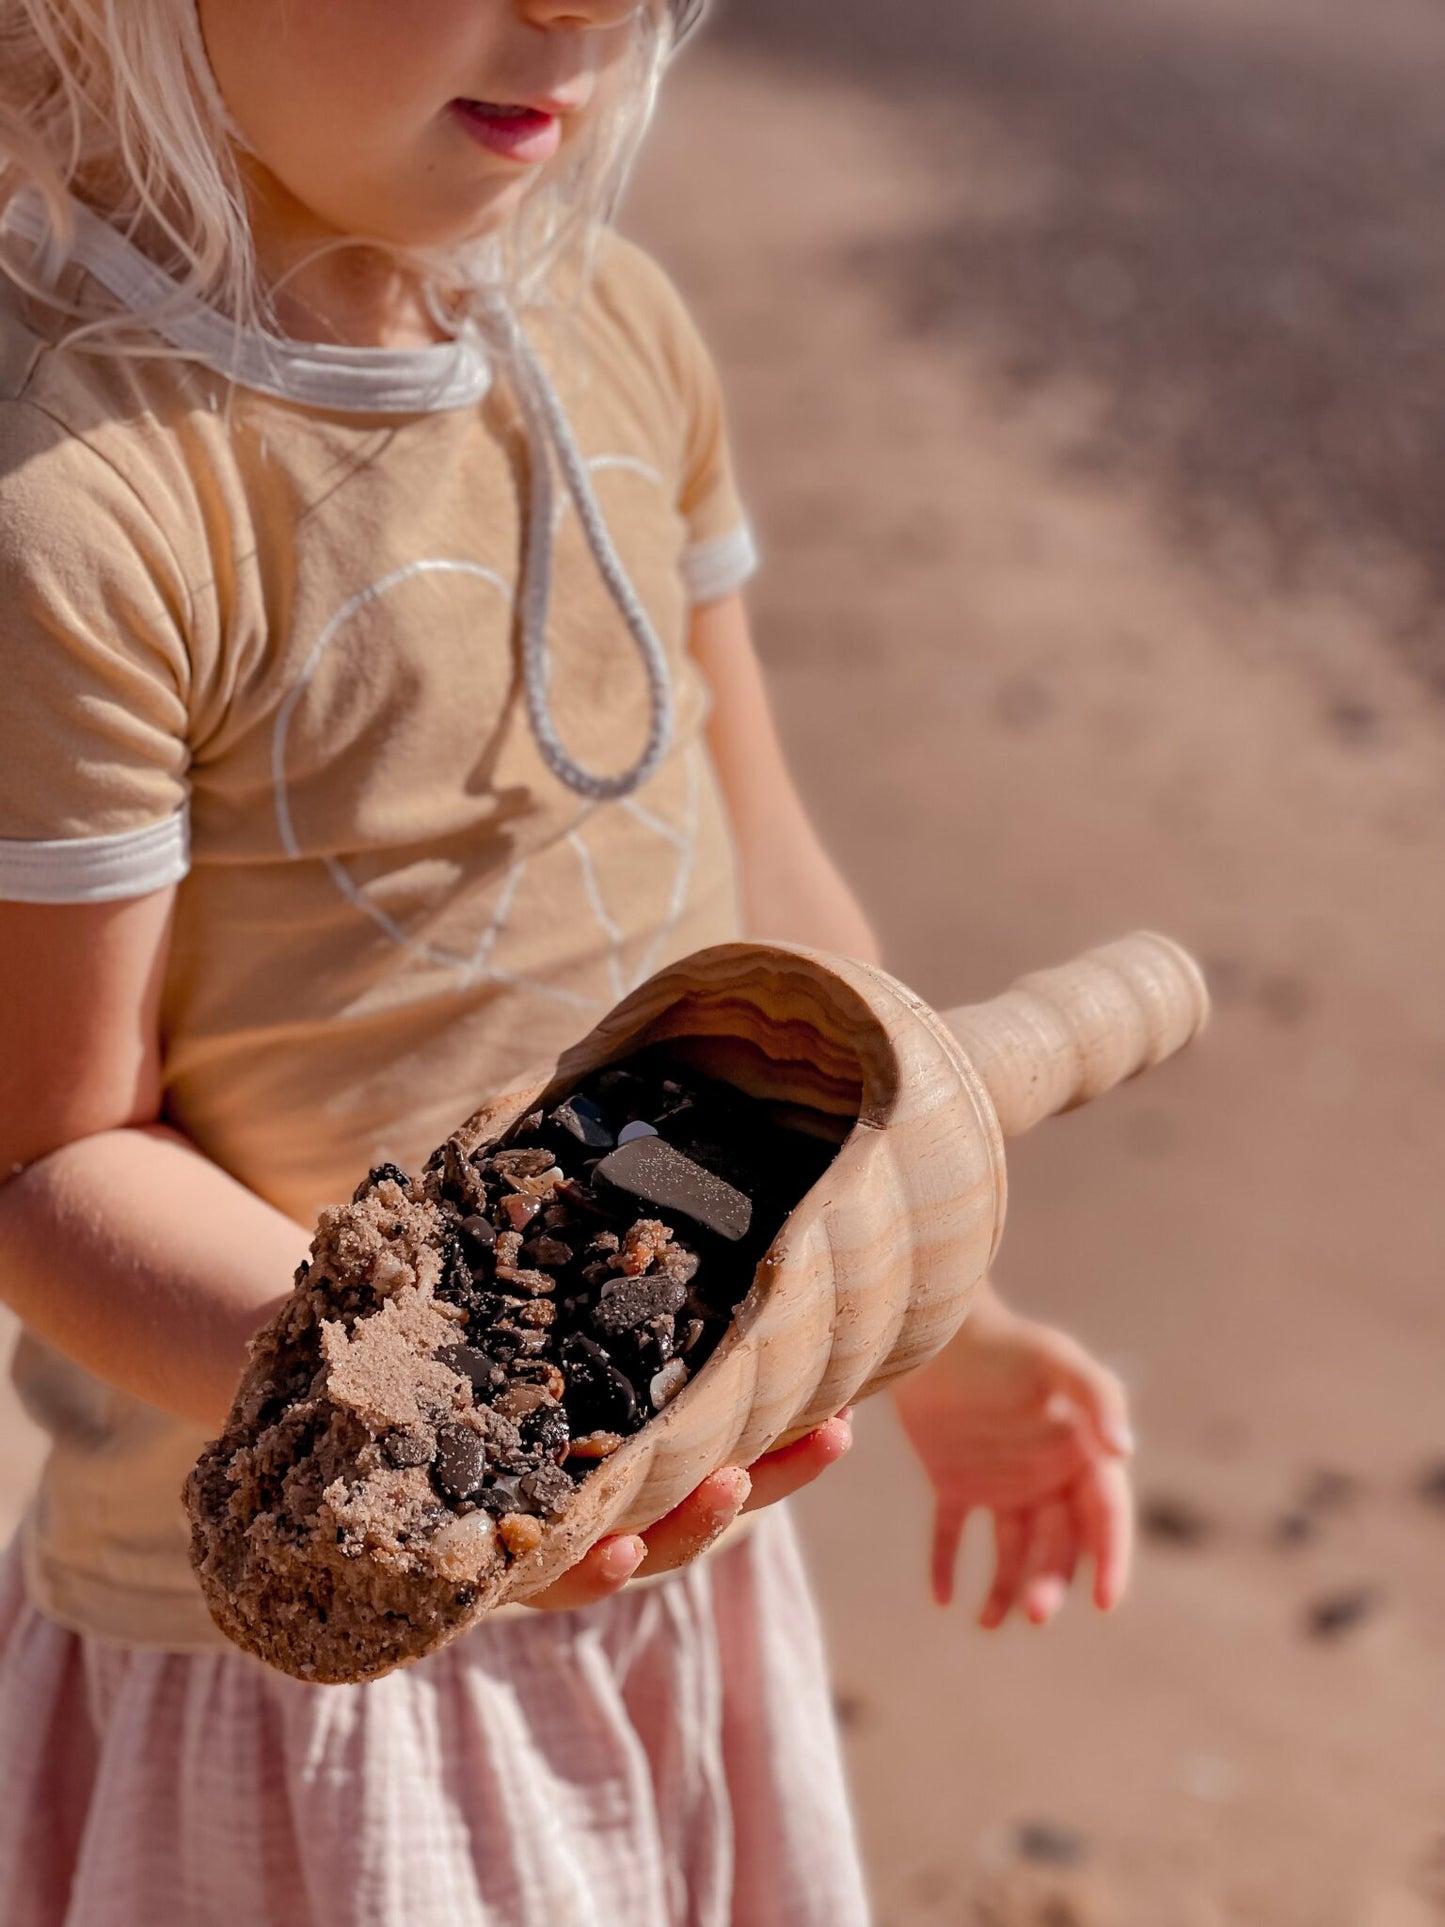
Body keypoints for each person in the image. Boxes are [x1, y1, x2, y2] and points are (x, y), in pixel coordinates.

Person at [0, 3, 1135, 1922]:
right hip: (323, 1639)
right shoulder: (84, 503)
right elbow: (44, 1162)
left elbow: (763, 904)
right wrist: (450, 1451)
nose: (593, 10)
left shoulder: (606, 327)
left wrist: (924, 1302)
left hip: (654, 1532)